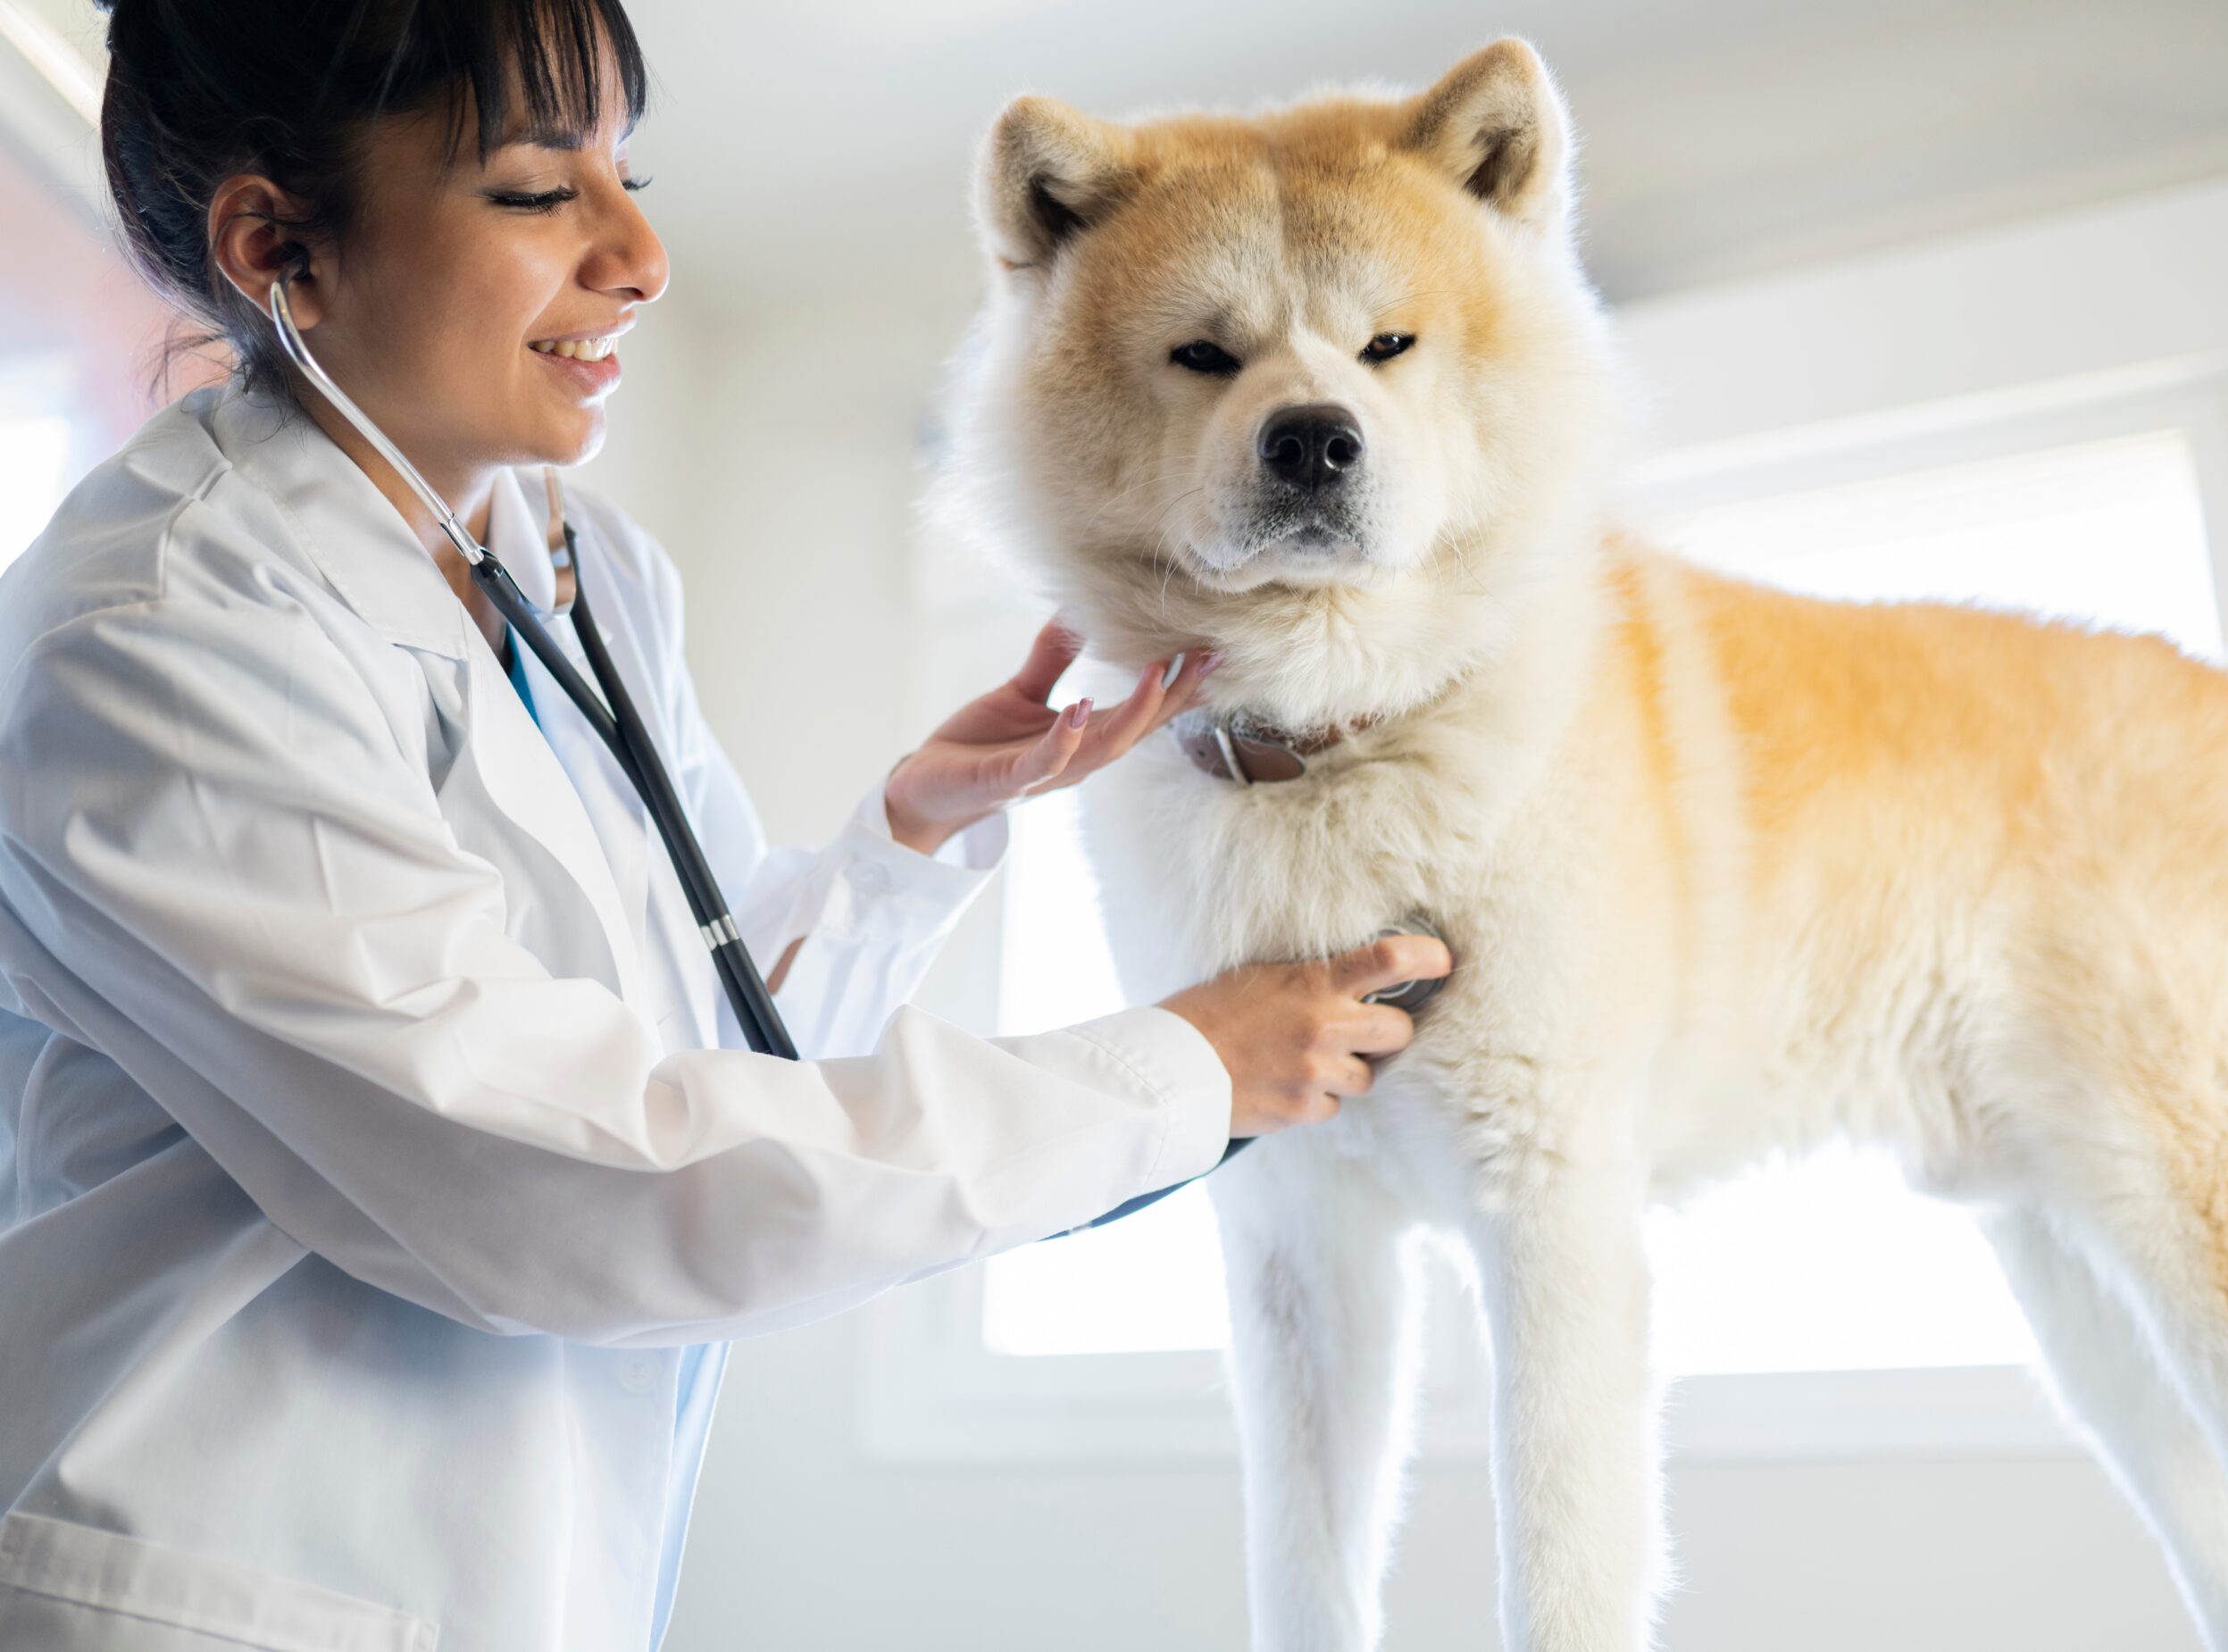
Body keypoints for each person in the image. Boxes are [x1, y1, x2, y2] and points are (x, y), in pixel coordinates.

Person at [0, 3, 1452, 1648]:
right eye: (542, 193)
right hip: (208, 1585)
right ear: (278, 247)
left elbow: (708, 1054)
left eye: (629, 174)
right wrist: (1182, 1068)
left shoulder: (575, 565)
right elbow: (568, 1181)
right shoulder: (154, 633)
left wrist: (899, 844)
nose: (641, 253)